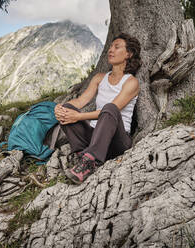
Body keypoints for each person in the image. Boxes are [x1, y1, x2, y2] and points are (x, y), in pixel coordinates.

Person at [54, 33, 141, 184]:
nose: (110, 50)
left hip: (117, 142)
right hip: (94, 137)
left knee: (110, 108)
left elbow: (111, 110)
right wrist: (60, 108)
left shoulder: (131, 82)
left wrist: (78, 117)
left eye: (117, 47)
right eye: (110, 47)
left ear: (129, 53)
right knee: (68, 107)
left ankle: (90, 161)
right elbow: (81, 101)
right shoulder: (99, 78)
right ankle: (84, 156)